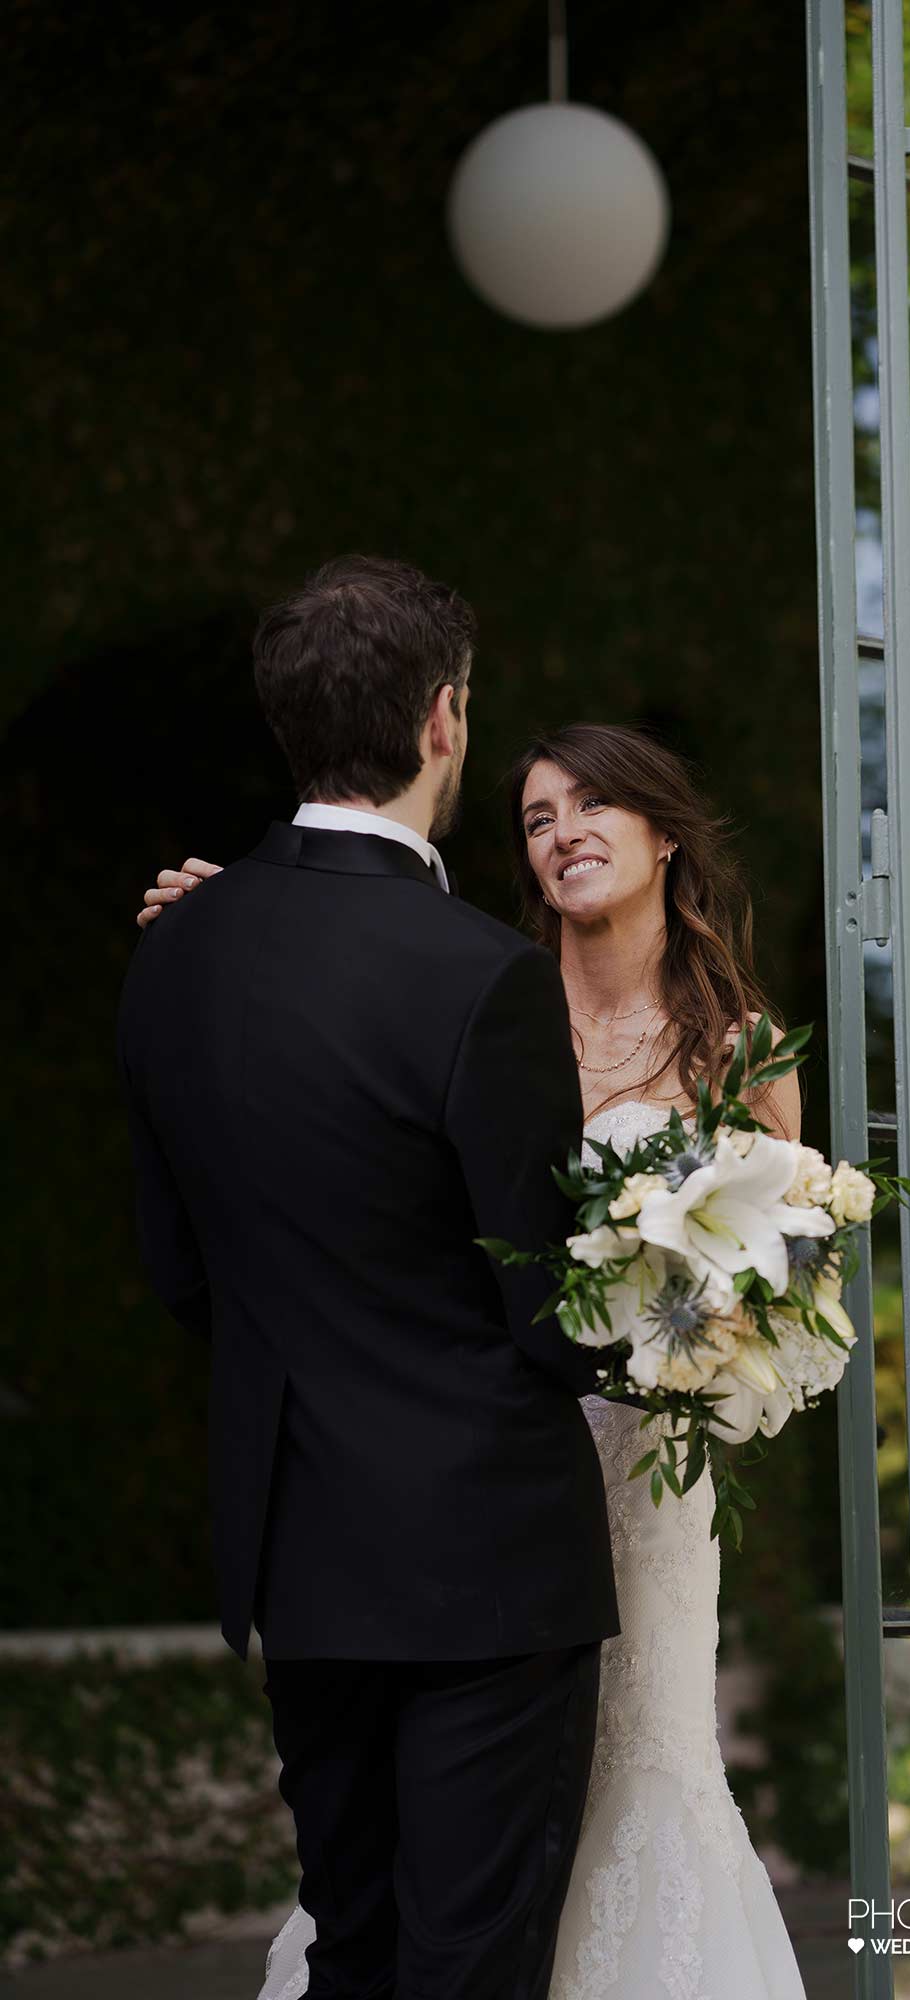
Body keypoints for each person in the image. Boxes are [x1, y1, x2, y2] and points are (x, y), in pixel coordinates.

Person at [137, 710, 809, 1990]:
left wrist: (698, 1345)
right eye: (536, 816)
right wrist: (243, 920)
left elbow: (783, 1290)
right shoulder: (471, 986)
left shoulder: (743, 1050)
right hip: (470, 1466)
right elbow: (341, 1049)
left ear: (665, 833)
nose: (561, 832)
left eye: (591, 805)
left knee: (643, 1765)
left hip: (643, 1465)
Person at [119, 557, 621, 2000]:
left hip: (300, 1552)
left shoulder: (169, 951)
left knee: (358, 1949)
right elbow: (554, 1307)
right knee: (470, 1967)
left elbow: (179, 1268)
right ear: (445, 719)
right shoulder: (479, 975)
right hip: (486, 1571)